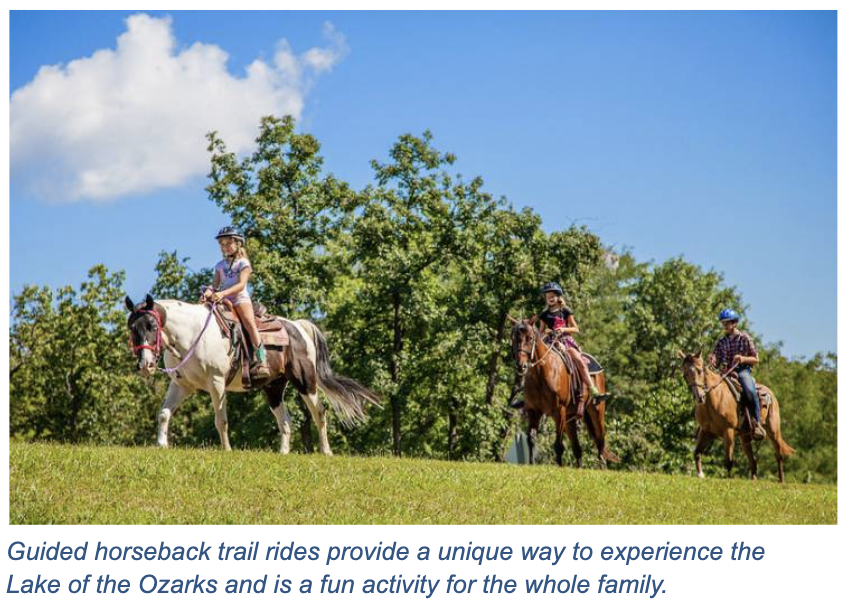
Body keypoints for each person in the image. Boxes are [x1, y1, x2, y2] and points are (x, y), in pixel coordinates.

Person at [508, 282, 609, 409]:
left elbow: (576, 328)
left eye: (552, 295)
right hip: (550, 343)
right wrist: (546, 333)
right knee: (533, 362)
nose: (550, 297)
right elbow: (541, 332)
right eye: (547, 295)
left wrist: (563, 330)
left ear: (558, 297)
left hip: (566, 342)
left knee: (579, 361)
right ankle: (527, 396)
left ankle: (593, 391)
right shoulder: (544, 315)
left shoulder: (565, 311)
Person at [202, 226, 269, 380]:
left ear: (238, 244)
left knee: (249, 324)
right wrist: (208, 292)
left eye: (227, 243)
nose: (224, 247)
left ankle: (262, 359)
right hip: (222, 300)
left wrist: (222, 293)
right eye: (222, 244)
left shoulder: (243, 263)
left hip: (239, 299)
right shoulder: (219, 265)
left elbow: (241, 285)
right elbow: (215, 285)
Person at [708, 308, 765, 440]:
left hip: (742, 371)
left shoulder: (745, 338)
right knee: (710, 389)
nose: (725, 326)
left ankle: (757, 423)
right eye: (723, 323)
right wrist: (712, 359)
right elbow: (716, 360)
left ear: (734, 323)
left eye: (727, 323)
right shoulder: (721, 342)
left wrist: (743, 358)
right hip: (726, 372)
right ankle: (706, 423)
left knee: (750, 391)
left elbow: (756, 358)